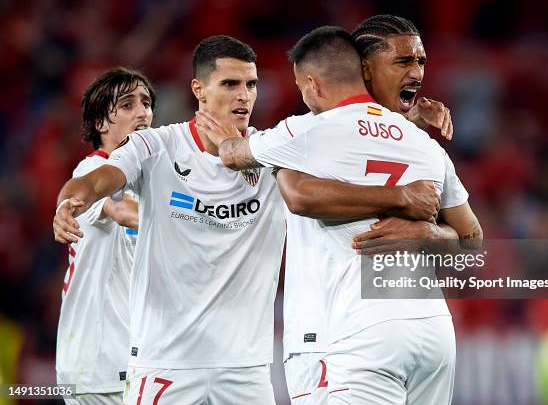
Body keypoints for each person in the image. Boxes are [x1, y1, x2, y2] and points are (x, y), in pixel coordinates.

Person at [52, 35, 441, 405]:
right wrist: (70, 202)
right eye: (230, 83)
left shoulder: (273, 151)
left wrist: (408, 122)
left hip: (247, 370)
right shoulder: (157, 146)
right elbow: (97, 178)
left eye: (252, 84)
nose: (244, 95)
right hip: (165, 361)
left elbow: (354, 146)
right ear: (199, 90)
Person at [198, 25, 482, 405]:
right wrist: (425, 231)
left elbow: (248, 164)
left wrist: (225, 136)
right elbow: (471, 239)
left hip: (358, 328)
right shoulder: (424, 143)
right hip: (433, 330)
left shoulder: (305, 132)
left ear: (312, 85)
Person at [53, 67, 154, 404]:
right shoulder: (94, 169)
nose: (142, 112)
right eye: (127, 106)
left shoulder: (150, 180)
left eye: (146, 103)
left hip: (131, 359)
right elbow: (120, 210)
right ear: (101, 124)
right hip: (97, 362)